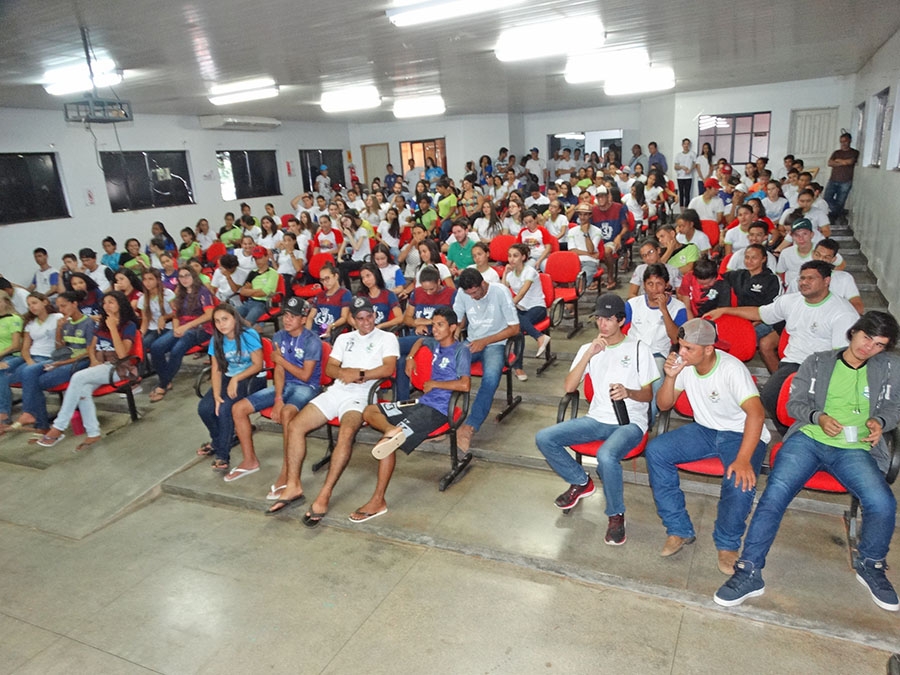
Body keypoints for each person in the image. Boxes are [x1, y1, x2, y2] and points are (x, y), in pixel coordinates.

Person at [715, 312, 900, 612]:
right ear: (853, 332)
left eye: (879, 345)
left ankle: (871, 564)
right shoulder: (818, 362)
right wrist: (819, 417)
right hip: (809, 440)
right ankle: (748, 571)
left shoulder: (890, 367)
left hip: (853, 448)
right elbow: (794, 404)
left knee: (883, 503)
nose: (870, 348)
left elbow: (895, 407)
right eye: (867, 338)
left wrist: (880, 421)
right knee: (773, 497)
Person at [645, 318, 770, 573]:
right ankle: (679, 529)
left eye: (689, 348)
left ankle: (727, 544)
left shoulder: (731, 369)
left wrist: (744, 459)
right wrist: (670, 377)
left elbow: (756, 414)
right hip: (705, 429)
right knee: (657, 450)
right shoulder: (685, 365)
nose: (681, 353)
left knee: (739, 480)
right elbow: (665, 405)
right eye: (680, 346)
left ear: (708, 349)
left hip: (739, 432)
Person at [266, 296, 399, 525]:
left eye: (369, 317)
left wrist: (359, 374)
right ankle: (294, 485)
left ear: (374, 316)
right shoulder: (345, 338)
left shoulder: (387, 337)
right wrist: (344, 373)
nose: (366, 322)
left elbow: (389, 368)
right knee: (296, 425)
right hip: (336, 391)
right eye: (360, 318)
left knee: (345, 435)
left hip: (361, 397)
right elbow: (330, 367)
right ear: (353, 320)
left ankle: (324, 494)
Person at [536, 294, 658, 545]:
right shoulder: (589, 349)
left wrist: (629, 392)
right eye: (599, 318)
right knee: (544, 438)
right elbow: (569, 387)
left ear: (621, 321)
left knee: (605, 455)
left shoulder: (638, 349)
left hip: (630, 422)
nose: (602, 324)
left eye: (609, 319)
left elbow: (648, 396)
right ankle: (581, 482)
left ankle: (615, 514)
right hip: (597, 418)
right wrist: (588, 354)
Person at [705, 260, 858, 432]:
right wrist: (725, 310)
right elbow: (760, 313)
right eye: (802, 278)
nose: (804, 282)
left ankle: (806, 434)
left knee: (806, 402)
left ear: (826, 281)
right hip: (793, 363)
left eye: (811, 278)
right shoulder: (791, 301)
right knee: (770, 396)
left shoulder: (842, 312)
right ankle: (791, 435)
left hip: (822, 367)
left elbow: (844, 355)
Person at [351, 308, 471, 522]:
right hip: (419, 403)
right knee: (370, 410)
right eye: (433, 324)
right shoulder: (433, 343)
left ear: (453, 328)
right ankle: (392, 430)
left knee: (385, 445)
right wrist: (411, 358)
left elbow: (465, 384)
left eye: (440, 325)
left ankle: (378, 501)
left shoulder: (461, 350)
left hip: (439, 410)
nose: (435, 329)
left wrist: (435, 383)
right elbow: (419, 341)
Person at [227, 297, 321, 491]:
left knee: (287, 414)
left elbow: (305, 375)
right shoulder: (279, 336)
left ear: (303, 319)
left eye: (293, 316)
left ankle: (287, 471)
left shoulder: (313, 341)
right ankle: (249, 460)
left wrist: (280, 360)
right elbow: (278, 370)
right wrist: (278, 398)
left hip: (307, 387)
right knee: (238, 408)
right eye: (286, 315)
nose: (287, 319)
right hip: (284, 385)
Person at [33, 291, 138, 451]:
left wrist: (113, 329)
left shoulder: (128, 325)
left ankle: (58, 427)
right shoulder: (103, 323)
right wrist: (94, 361)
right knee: (83, 390)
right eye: (104, 302)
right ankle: (93, 433)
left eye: (111, 302)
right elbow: (91, 347)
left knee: (77, 377)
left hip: (119, 368)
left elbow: (123, 354)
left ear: (120, 305)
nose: (106, 306)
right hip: (101, 366)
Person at [453, 269, 520, 453]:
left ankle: (470, 427)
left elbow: (515, 328)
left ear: (483, 284)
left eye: (475, 293)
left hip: (496, 343)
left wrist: (486, 341)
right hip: (472, 341)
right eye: (469, 294)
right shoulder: (463, 293)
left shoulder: (500, 292)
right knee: (447, 367)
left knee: (490, 378)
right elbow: (457, 320)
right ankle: (442, 420)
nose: (473, 297)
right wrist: (455, 333)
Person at [12, 291, 95, 434]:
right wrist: (59, 330)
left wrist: (61, 363)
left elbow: (89, 352)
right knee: (30, 373)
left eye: (64, 306)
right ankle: (36, 420)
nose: (61, 310)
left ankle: (38, 420)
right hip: (62, 359)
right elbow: (59, 349)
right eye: (59, 307)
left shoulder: (88, 323)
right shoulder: (65, 322)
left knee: (35, 381)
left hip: (79, 361)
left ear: (74, 304)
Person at [196, 304, 264, 472]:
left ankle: (222, 455)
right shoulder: (217, 339)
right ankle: (220, 440)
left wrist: (237, 378)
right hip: (229, 377)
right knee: (205, 408)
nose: (221, 324)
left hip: (252, 378)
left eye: (225, 319)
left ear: (234, 318)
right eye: (217, 321)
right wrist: (217, 395)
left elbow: (257, 365)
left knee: (226, 408)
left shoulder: (249, 334)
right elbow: (216, 369)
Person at [148, 266, 215, 402]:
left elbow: (209, 315)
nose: (184, 279)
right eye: (181, 276)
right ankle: (166, 380)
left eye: (187, 275)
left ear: (194, 277)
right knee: (156, 347)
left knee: (176, 350)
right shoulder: (180, 293)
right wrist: (177, 329)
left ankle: (162, 385)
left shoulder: (203, 291)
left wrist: (185, 327)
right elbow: (177, 315)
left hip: (202, 329)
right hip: (184, 328)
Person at [503, 243, 550, 380]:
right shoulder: (511, 275)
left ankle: (538, 338)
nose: (512, 259)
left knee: (516, 322)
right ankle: (519, 367)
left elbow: (522, 293)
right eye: (510, 256)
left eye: (515, 256)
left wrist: (509, 307)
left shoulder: (530, 271)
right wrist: (505, 273)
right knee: (518, 329)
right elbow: (504, 291)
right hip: (521, 310)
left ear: (523, 257)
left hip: (537, 308)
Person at [308, 262, 351, 340]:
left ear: (336, 276)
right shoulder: (320, 295)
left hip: (329, 331)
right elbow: (310, 317)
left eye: (327, 278)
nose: (325, 282)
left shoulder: (344, 293)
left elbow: (344, 317)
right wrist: (306, 333)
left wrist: (331, 326)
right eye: (322, 280)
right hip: (314, 331)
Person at [237, 246, 279, 327]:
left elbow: (265, 292)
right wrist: (256, 291)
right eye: (255, 258)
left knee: (247, 323)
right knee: (230, 315)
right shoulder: (252, 273)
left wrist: (250, 291)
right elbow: (242, 291)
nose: (257, 261)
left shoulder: (273, 273)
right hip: (249, 302)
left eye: (260, 257)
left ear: (267, 257)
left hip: (263, 304)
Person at [824, 132, 859, 222]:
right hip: (833, 179)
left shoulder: (854, 152)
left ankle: (834, 217)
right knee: (826, 198)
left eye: (845, 141)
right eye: (841, 142)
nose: (843, 144)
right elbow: (829, 163)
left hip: (846, 180)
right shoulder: (836, 152)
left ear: (850, 141)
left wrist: (838, 161)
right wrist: (843, 162)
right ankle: (839, 213)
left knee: (840, 201)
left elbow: (849, 162)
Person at [0, 294, 23, 430]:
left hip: (12, 355)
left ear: (6, 302)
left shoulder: (14, 319)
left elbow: (16, 345)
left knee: (1, 372)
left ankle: (4, 414)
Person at [566, 204, 602, 281]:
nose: (582, 217)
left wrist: (586, 233)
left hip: (590, 261)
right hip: (574, 260)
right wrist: (589, 254)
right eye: (580, 214)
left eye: (585, 214)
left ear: (590, 215)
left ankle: (579, 290)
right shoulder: (572, 231)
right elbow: (572, 251)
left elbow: (591, 250)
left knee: (583, 278)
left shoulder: (597, 231)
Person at [673, 139, 697, 209]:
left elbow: (695, 164)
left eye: (687, 144)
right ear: (682, 145)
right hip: (680, 177)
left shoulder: (692, 154)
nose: (686, 145)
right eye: (685, 144)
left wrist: (690, 170)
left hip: (688, 177)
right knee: (681, 193)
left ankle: (687, 209)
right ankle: (681, 210)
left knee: (687, 194)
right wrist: (681, 167)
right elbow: (675, 166)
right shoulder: (678, 155)